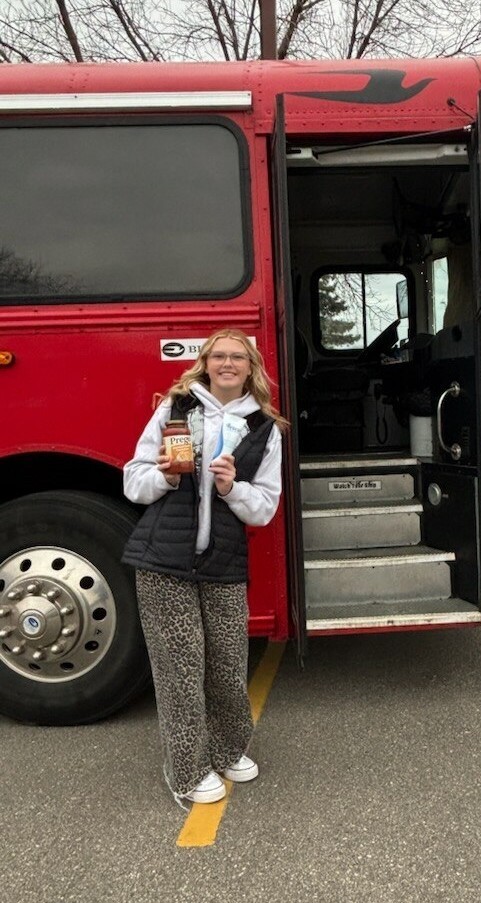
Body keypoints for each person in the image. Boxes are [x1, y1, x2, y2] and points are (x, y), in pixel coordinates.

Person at [123, 328, 287, 808]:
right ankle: (187, 771)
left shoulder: (263, 428)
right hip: (163, 561)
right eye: (220, 356)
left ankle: (228, 748)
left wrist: (232, 487)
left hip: (223, 563)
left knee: (228, 665)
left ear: (251, 367)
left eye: (238, 357)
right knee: (180, 669)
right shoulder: (173, 408)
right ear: (207, 363)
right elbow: (134, 481)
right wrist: (165, 475)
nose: (228, 364)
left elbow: (264, 509)